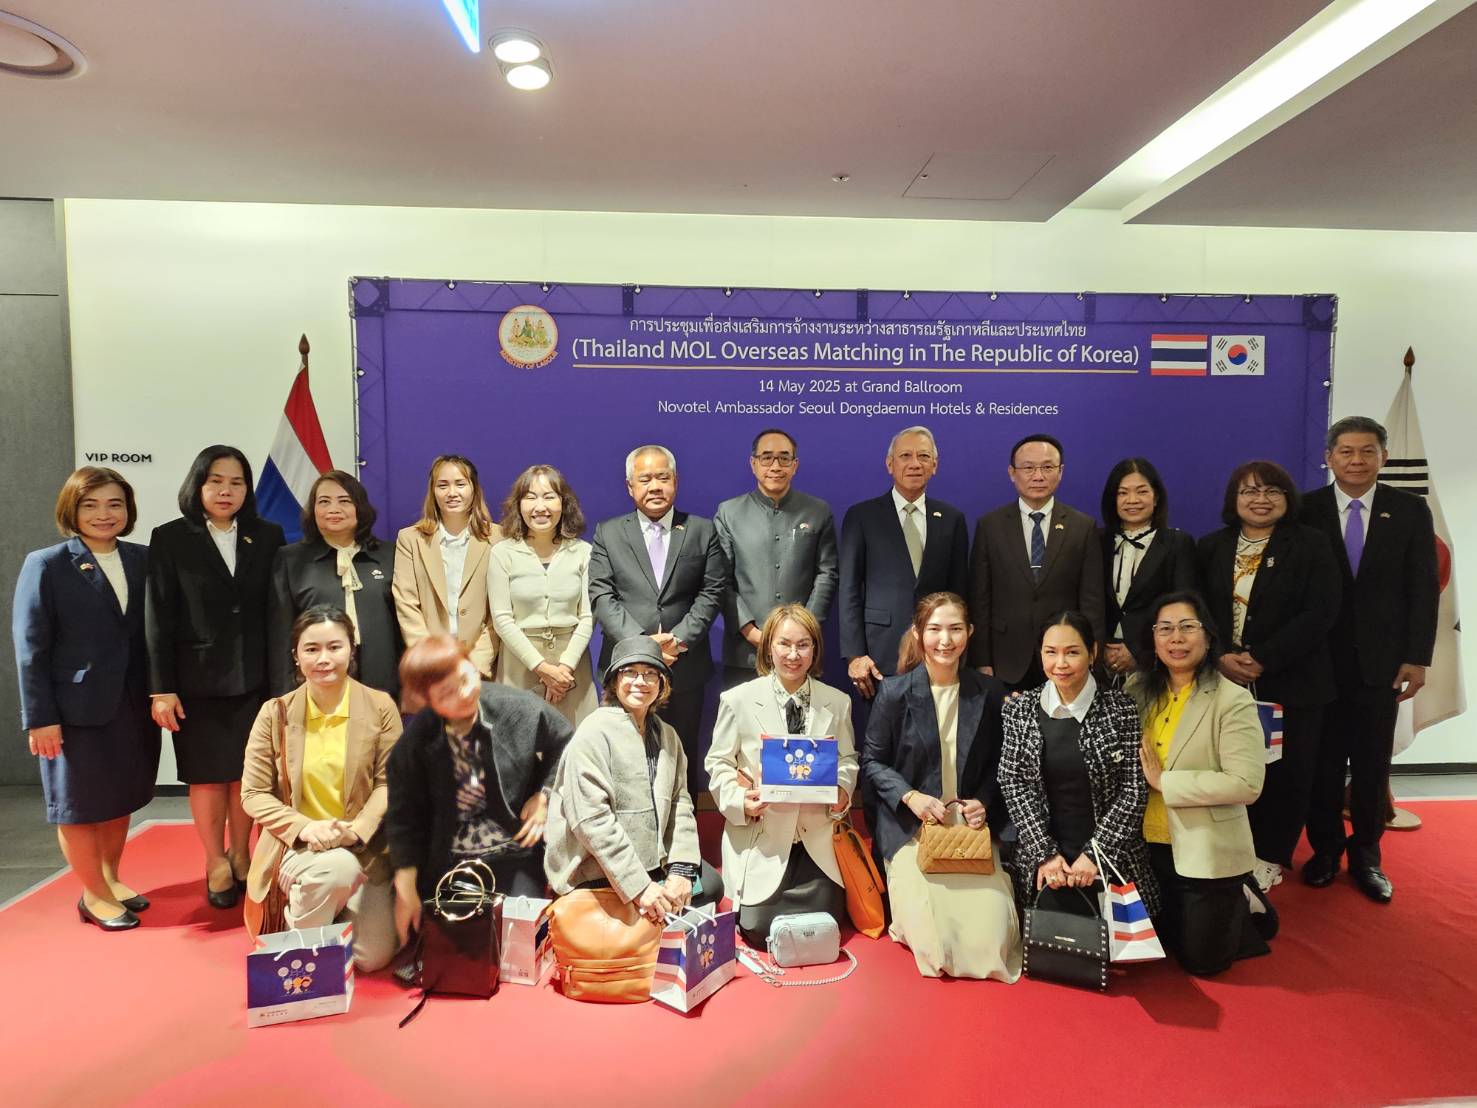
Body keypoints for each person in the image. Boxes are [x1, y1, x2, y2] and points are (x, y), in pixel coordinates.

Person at [12, 467, 159, 931]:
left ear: (128, 510)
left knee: (120, 797)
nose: (103, 514)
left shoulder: (143, 559)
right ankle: (93, 895)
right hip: (73, 710)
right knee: (77, 806)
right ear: (70, 510)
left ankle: (111, 880)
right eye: (90, 505)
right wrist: (40, 717)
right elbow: (30, 648)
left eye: (115, 504)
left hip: (132, 703)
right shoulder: (47, 564)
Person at [1301, 417, 1439, 903]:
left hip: (1381, 666)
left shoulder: (1410, 510)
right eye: (1346, 451)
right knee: (1321, 766)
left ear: (1383, 456)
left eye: (1366, 451)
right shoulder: (1306, 509)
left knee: (1370, 767)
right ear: (1329, 457)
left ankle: (1367, 857)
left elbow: (1423, 589)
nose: (1356, 460)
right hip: (1318, 665)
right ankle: (1324, 852)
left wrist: (1417, 658)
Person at [146, 445, 286, 910]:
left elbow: (276, 611)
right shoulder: (171, 538)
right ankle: (214, 861)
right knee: (207, 778)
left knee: (248, 776)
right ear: (198, 485)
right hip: (196, 682)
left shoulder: (267, 535)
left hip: (255, 680)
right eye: (216, 481)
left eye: (236, 482)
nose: (227, 491)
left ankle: (242, 853)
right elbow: (158, 617)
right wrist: (161, 688)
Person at [1197, 460, 1340, 892]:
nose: (1260, 500)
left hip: (1294, 681)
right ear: (1234, 499)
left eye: (1271, 491)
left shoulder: (1311, 544)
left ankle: (1270, 857)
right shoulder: (1212, 546)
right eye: (1249, 491)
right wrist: (1219, 655)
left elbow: (1320, 612)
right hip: (1224, 679)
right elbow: (1198, 609)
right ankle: (1231, 852)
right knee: (1229, 768)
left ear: (1286, 497)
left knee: (1287, 775)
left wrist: (1262, 658)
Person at [861, 592, 1019, 980]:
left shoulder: (989, 691)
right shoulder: (894, 692)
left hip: (970, 833)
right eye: (934, 629)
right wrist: (911, 796)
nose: (945, 640)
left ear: (970, 633)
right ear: (918, 634)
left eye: (955, 629)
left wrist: (984, 801)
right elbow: (872, 762)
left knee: (993, 942)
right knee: (935, 944)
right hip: (913, 830)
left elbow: (1002, 763)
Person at [240, 606, 402, 971]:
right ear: (296, 656)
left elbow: (389, 782)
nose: (323, 658)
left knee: (372, 959)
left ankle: (326, 901)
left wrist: (356, 831)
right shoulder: (275, 712)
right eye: (311, 649)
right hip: (297, 845)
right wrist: (305, 827)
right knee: (335, 869)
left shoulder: (380, 706)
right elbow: (252, 793)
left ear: (351, 650)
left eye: (334, 647)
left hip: (361, 845)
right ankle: (297, 955)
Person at [385, 635, 574, 946]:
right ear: (427, 700)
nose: (464, 694)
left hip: (513, 847)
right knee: (450, 945)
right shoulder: (418, 739)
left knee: (521, 937)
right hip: (449, 855)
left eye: (465, 678)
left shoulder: (516, 707)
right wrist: (405, 882)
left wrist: (544, 795)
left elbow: (567, 740)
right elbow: (402, 814)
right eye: (446, 693)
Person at [1129, 592, 1275, 975]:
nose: (1176, 638)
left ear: (1208, 637)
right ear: (1153, 639)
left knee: (1203, 963)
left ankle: (1243, 899)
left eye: (1187, 627)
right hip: (1145, 847)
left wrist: (1165, 781)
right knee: (1150, 949)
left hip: (1203, 847)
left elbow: (1246, 784)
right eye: (1165, 629)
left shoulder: (1232, 700)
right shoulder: (1136, 690)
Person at [543, 636, 722, 924]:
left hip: (653, 862)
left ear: (662, 684)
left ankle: (649, 915)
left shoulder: (667, 735)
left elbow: (681, 804)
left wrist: (681, 869)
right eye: (630, 672)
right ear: (614, 681)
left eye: (651, 673)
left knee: (710, 885)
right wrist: (638, 886)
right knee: (640, 907)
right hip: (600, 867)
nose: (641, 681)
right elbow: (592, 821)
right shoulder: (593, 734)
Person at [706, 604, 857, 945]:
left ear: (815, 648)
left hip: (815, 835)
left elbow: (848, 759)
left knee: (823, 926)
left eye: (803, 645)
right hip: (762, 835)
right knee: (759, 930)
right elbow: (718, 763)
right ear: (768, 647)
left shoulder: (837, 702)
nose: (793, 655)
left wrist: (843, 791)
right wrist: (740, 801)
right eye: (784, 644)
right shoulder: (738, 700)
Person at [998, 611, 1159, 920]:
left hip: (1112, 859)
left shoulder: (1120, 709)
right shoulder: (1019, 710)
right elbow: (1011, 782)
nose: (1060, 663)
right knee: (1050, 943)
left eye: (1072, 652)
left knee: (1117, 944)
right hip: (1046, 865)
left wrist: (1095, 854)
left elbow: (1133, 790)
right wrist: (1046, 854)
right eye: (1051, 652)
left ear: (1092, 652)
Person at [588, 445, 727, 799]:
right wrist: (644, 648)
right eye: (645, 479)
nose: (655, 486)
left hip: (684, 666)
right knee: (622, 757)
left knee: (680, 756)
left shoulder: (701, 530)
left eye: (662, 478)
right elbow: (602, 594)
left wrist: (678, 640)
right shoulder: (608, 532)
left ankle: (682, 832)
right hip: (625, 670)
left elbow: (711, 592)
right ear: (630, 486)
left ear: (675, 481)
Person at [839, 426, 969, 701]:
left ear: (934, 465)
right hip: (879, 657)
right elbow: (849, 589)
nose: (915, 464)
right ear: (890, 464)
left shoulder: (951, 519)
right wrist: (855, 654)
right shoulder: (862, 516)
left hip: (938, 652)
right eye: (905, 456)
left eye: (923, 456)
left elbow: (958, 593)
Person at [967, 434, 1105, 689]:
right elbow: (980, 600)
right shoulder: (990, 526)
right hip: (1005, 659)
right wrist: (982, 660)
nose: (1038, 476)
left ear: (1060, 472)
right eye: (1028, 468)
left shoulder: (1082, 527)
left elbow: (1092, 601)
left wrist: (1092, 656)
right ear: (1012, 473)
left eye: (1047, 467)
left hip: (1065, 659)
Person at [713, 429, 838, 689]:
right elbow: (721, 580)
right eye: (767, 457)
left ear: (795, 465)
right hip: (745, 652)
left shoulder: (818, 511)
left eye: (784, 458)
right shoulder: (729, 512)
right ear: (753, 463)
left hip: (800, 653)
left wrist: (804, 633)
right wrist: (753, 633)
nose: (775, 466)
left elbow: (827, 574)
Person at [270, 470, 403, 698]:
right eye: (324, 501)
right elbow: (280, 635)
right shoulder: (290, 560)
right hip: (317, 681)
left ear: (360, 507)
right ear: (313, 510)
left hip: (382, 680)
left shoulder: (390, 555)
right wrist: (285, 695)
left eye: (344, 501)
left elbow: (404, 625)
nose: (334, 509)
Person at [487, 464, 599, 727]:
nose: (540, 507)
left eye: (549, 497)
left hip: (572, 670)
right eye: (530, 497)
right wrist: (542, 668)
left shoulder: (584, 552)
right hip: (520, 665)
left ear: (564, 503)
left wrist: (563, 670)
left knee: (576, 743)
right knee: (521, 743)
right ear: (518, 505)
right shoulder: (502, 553)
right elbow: (502, 619)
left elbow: (588, 616)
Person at [391, 454, 498, 678]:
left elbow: (501, 611)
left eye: (460, 484)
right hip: (431, 668)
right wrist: (431, 659)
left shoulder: (498, 538)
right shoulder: (410, 539)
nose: (452, 492)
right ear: (433, 491)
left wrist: (476, 664)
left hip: (483, 667)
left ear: (474, 489)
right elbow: (406, 603)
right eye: (442, 485)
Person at [1097, 457, 1198, 677]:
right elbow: (1087, 600)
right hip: (1100, 661)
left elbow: (1183, 607)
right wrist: (1099, 648)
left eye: (1142, 491)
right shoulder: (1096, 540)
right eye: (1122, 493)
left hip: (1154, 662)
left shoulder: (1177, 543)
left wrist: (1138, 650)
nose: (1132, 500)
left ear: (1156, 497)